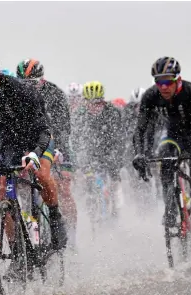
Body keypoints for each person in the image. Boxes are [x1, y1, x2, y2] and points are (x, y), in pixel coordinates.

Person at [0, 51, 67, 250]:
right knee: (4, 189)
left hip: (38, 135)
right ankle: (17, 253)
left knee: (41, 172)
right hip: (10, 139)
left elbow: (44, 130)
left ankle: (54, 215)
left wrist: (35, 152)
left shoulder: (21, 91)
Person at [16, 58, 77, 248]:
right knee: (22, 183)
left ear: (41, 80)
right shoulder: (16, 94)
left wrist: (59, 150)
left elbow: (62, 127)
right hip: (29, 142)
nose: (28, 87)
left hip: (54, 141)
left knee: (63, 186)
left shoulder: (55, 94)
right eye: (23, 83)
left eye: (32, 83)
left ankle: (71, 237)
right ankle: (30, 225)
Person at [133, 57, 191, 230]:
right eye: (159, 82)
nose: (164, 86)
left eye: (168, 81)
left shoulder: (189, 92)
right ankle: (170, 208)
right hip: (172, 133)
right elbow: (140, 130)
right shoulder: (151, 96)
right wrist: (139, 154)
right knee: (166, 159)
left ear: (177, 79)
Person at [80, 81, 123, 215]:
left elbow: (119, 138)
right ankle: (91, 202)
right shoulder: (80, 115)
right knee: (86, 175)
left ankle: (117, 206)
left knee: (114, 178)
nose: (94, 107)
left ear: (103, 101)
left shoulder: (113, 112)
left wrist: (116, 158)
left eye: (98, 103)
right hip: (91, 151)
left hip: (110, 149)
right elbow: (76, 139)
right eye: (90, 103)